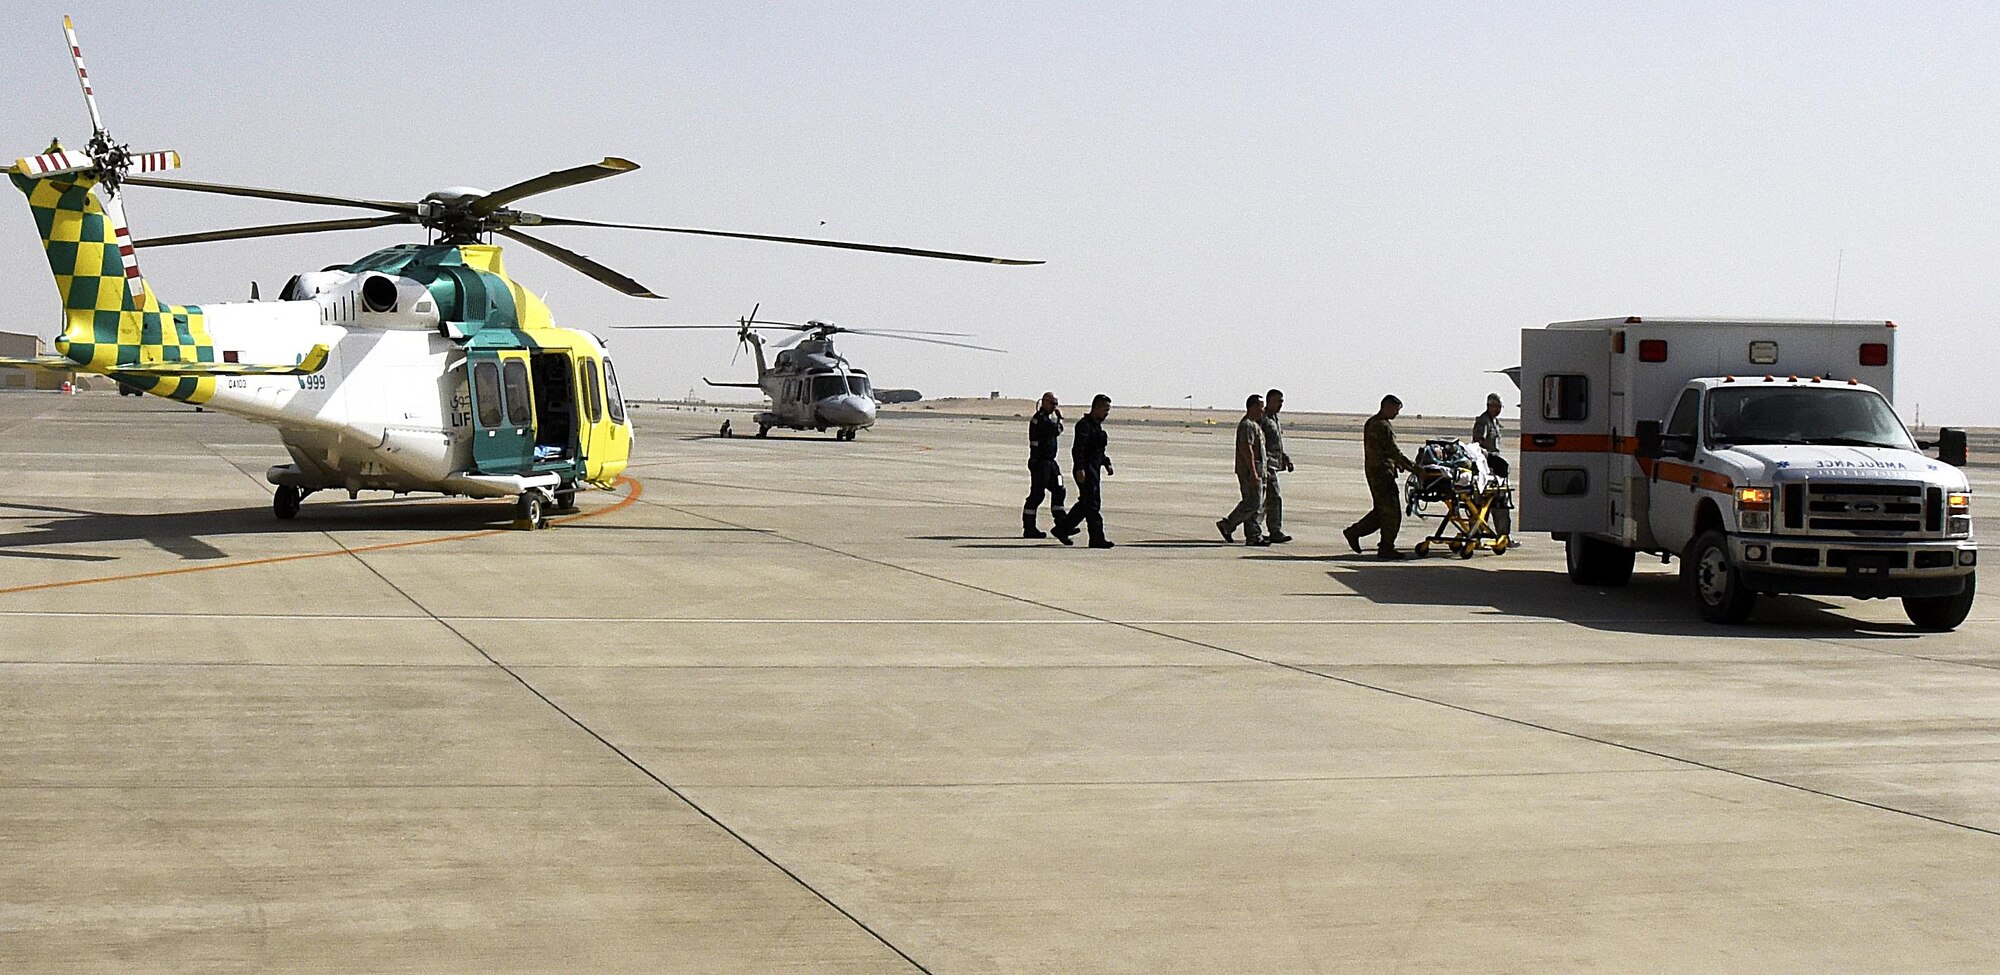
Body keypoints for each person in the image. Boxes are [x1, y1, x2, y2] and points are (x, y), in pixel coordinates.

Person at [1343, 394, 1417, 559]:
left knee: (1381, 512)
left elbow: (1384, 450)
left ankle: (1354, 532)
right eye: (1396, 410)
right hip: (1381, 474)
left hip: (1379, 472)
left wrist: (1396, 463)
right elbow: (1392, 450)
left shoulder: (1375, 423)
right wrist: (1415, 468)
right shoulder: (1380, 425)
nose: (1397, 414)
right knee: (1392, 513)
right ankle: (1385, 547)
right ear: (1387, 406)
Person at [1052, 394, 1115, 548]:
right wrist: (1080, 468)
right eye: (1105, 409)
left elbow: (1097, 451)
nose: (1106, 413)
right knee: (1092, 505)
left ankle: (1062, 529)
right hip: (1085, 470)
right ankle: (1096, 538)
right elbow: (1078, 449)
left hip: (1093, 469)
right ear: (1096, 407)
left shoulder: (1096, 426)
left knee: (1086, 504)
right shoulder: (1084, 425)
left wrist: (1106, 463)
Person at [1216, 394, 1270, 546]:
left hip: (1259, 469)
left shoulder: (1255, 425)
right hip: (1249, 470)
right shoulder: (1247, 425)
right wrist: (1253, 472)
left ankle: (1254, 535)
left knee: (1257, 504)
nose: (1263, 409)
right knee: (1253, 502)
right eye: (1260, 406)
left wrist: (1265, 470)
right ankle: (1228, 524)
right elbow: (1247, 449)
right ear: (1252, 407)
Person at [1022, 392, 1066, 538]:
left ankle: (1062, 523)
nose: (1055, 407)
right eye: (1052, 404)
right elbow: (1056, 430)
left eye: (1056, 404)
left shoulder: (1047, 419)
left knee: (1059, 489)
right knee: (1037, 494)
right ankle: (1029, 528)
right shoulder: (1039, 420)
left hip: (1051, 463)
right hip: (1040, 463)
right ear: (1044, 402)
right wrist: (1060, 419)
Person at [1471, 392, 1513, 539]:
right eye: (1496, 406)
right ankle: (1476, 533)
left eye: (1500, 407)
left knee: (1500, 503)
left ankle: (1503, 536)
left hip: (1494, 466)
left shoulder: (1494, 422)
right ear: (1489, 406)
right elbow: (1478, 443)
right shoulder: (1484, 421)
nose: (1499, 410)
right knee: (1482, 502)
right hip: (1486, 466)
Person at [1260, 388, 1295, 543]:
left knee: (1266, 499)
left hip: (1274, 462)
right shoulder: (1263, 419)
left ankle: (1233, 525)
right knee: (1271, 498)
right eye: (1277, 401)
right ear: (1269, 401)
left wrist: (1285, 459)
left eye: (1282, 401)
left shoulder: (1274, 419)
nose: (1281, 404)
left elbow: (1277, 444)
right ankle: (1274, 530)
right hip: (1267, 465)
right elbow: (1259, 444)